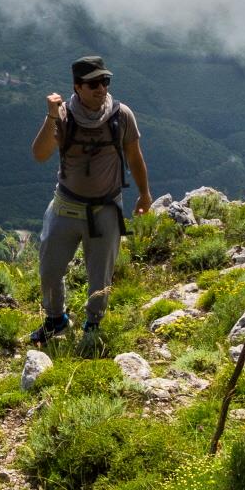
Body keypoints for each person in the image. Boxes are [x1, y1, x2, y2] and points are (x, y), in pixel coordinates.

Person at [30, 55, 152, 345]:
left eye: (105, 81)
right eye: (93, 83)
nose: (101, 88)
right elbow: (40, 153)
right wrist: (50, 116)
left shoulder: (122, 116)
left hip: (105, 208)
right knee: (49, 269)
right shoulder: (62, 116)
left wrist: (145, 193)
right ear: (77, 87)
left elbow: (134, 156)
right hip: (65, 205)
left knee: (101, 277)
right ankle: (55, 319)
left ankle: (93, 326)